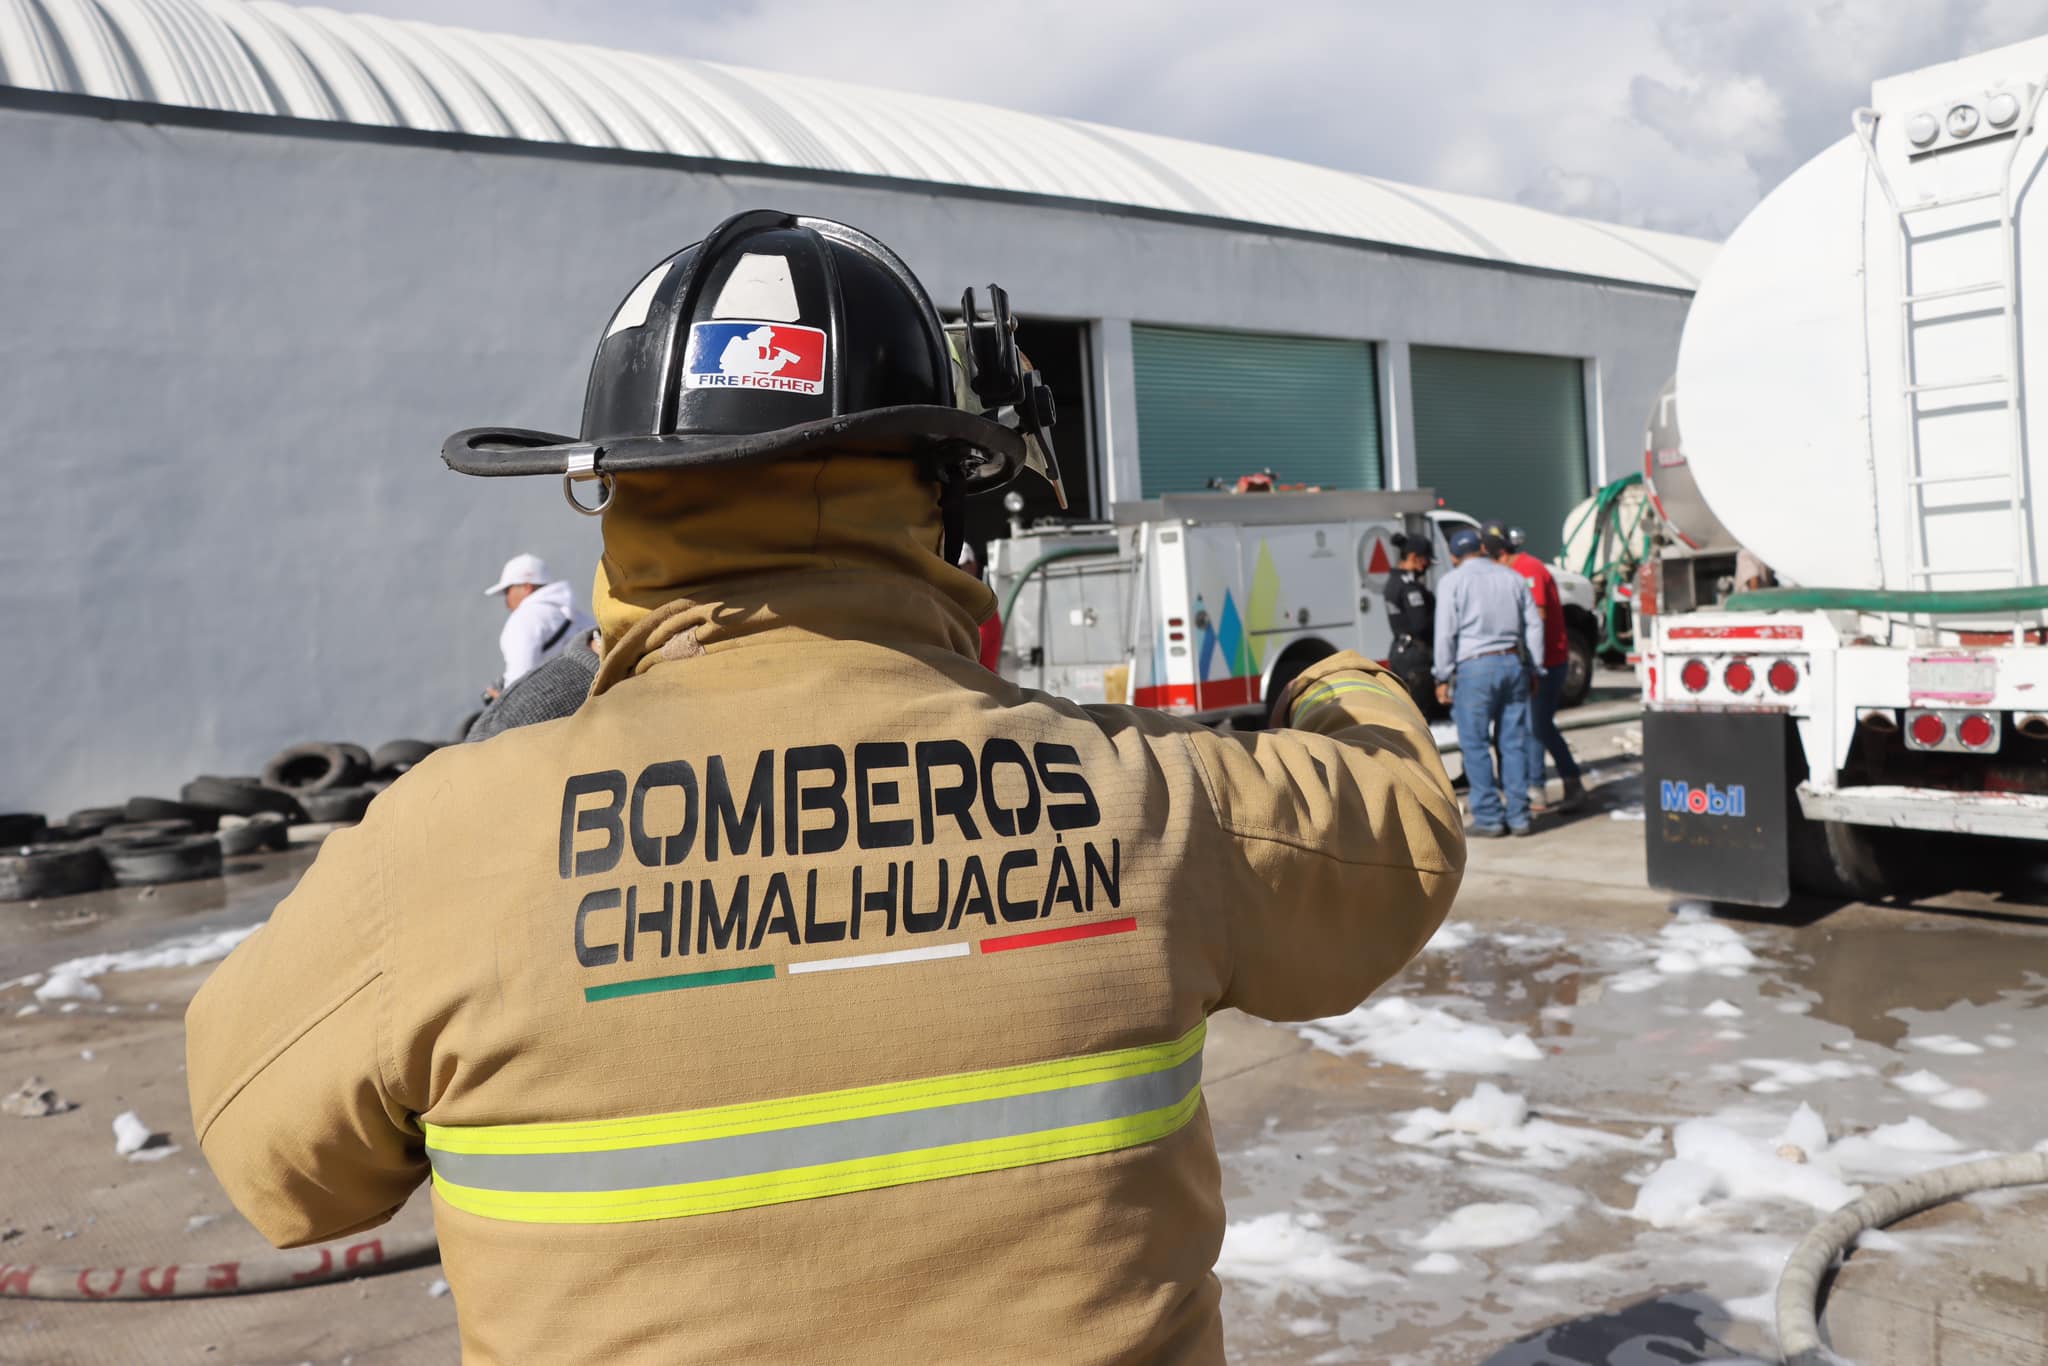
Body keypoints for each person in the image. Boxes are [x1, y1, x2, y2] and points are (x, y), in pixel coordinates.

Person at [185, 210, 1465, 1365]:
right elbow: (1398, 830)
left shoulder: (441, 849)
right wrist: (1327, 674)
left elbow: (280, 1172)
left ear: (617, 493)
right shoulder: (1149, 799)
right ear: (946, 493)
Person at [1434, 525, 1543, 837]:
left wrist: (1442, 675)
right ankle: (1519, 816)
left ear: (1454, 556)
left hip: (1475, 668)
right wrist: (1533, 668)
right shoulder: (1512, 577)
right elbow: (1533, 626)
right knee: (1514, 743)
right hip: (1513, 662)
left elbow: (1445, 632)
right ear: (1482, 549)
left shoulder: (1452, 582)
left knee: (1475, 744)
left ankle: (1490, 818)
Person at [1483, 523, 1584, 814]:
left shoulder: (1528, 570)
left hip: (1548, 661)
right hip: (1530, 662)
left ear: (1501, 553)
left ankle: (1549, 784)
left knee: (1536, 726)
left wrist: (1531, 662)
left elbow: (1535, 617)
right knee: (1533, 726)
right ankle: (1547, 783)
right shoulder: (1513, 571)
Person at [483, 552, 595, 698]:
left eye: (507, 591)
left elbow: (519, 686)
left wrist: (500, 700)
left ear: (526, 587)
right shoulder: (580, 617)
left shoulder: (523, 619)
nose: (506, 601)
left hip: (556, 711)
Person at [1382, 532, 1437, 715]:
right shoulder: (1410, 586)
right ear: (1414, 557)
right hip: (1415, 658)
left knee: (1406, 714)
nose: (1427, 566)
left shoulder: (1392, 581)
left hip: (1399, 651)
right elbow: (1421, 623)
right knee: (1420, 716)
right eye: (1426, 560)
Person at [957, 542, 1004, 672]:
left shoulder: (982, 602)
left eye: (959, 566)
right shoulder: (942, 602)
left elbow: (972, 650)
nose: (954, 572)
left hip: (980, 685)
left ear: (973, 566)